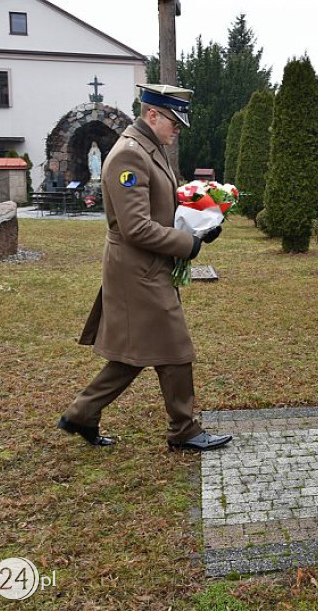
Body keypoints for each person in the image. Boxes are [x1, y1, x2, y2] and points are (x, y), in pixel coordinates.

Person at [57, 83, 232, 452]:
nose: (177, 129)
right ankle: (183, 431)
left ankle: (81, 414)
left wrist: (200, 222)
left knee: (134, 355)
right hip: (139, 272)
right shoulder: (129, 155)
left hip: (146, 268)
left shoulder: (148, 148)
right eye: (173, 122)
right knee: (175, 350)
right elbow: (136, 227)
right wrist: (189, 244)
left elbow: (160, 206)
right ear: (152, 115)